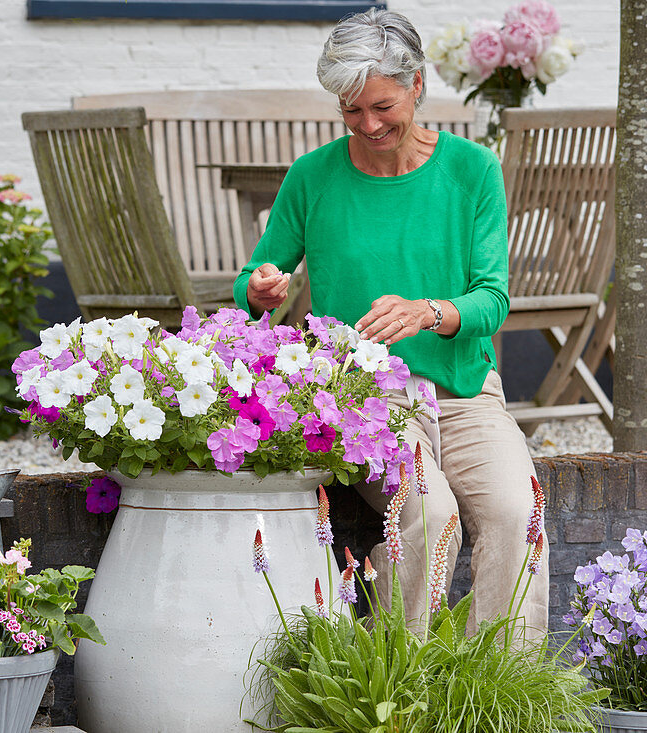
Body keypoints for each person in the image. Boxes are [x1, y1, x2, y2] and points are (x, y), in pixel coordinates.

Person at [233, 8, 548, 637]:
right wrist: (264, 287)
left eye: (382, 106)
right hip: (365, 405)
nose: (369, 125)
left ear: (417, 86)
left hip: (465, 396)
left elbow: (493, 299)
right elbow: (252, 280)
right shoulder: (313, 176)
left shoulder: (473, 171)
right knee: (431, 515)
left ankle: (499, 690)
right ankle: (405, 678)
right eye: (352, 111)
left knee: (518, 514)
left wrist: (431, 312)